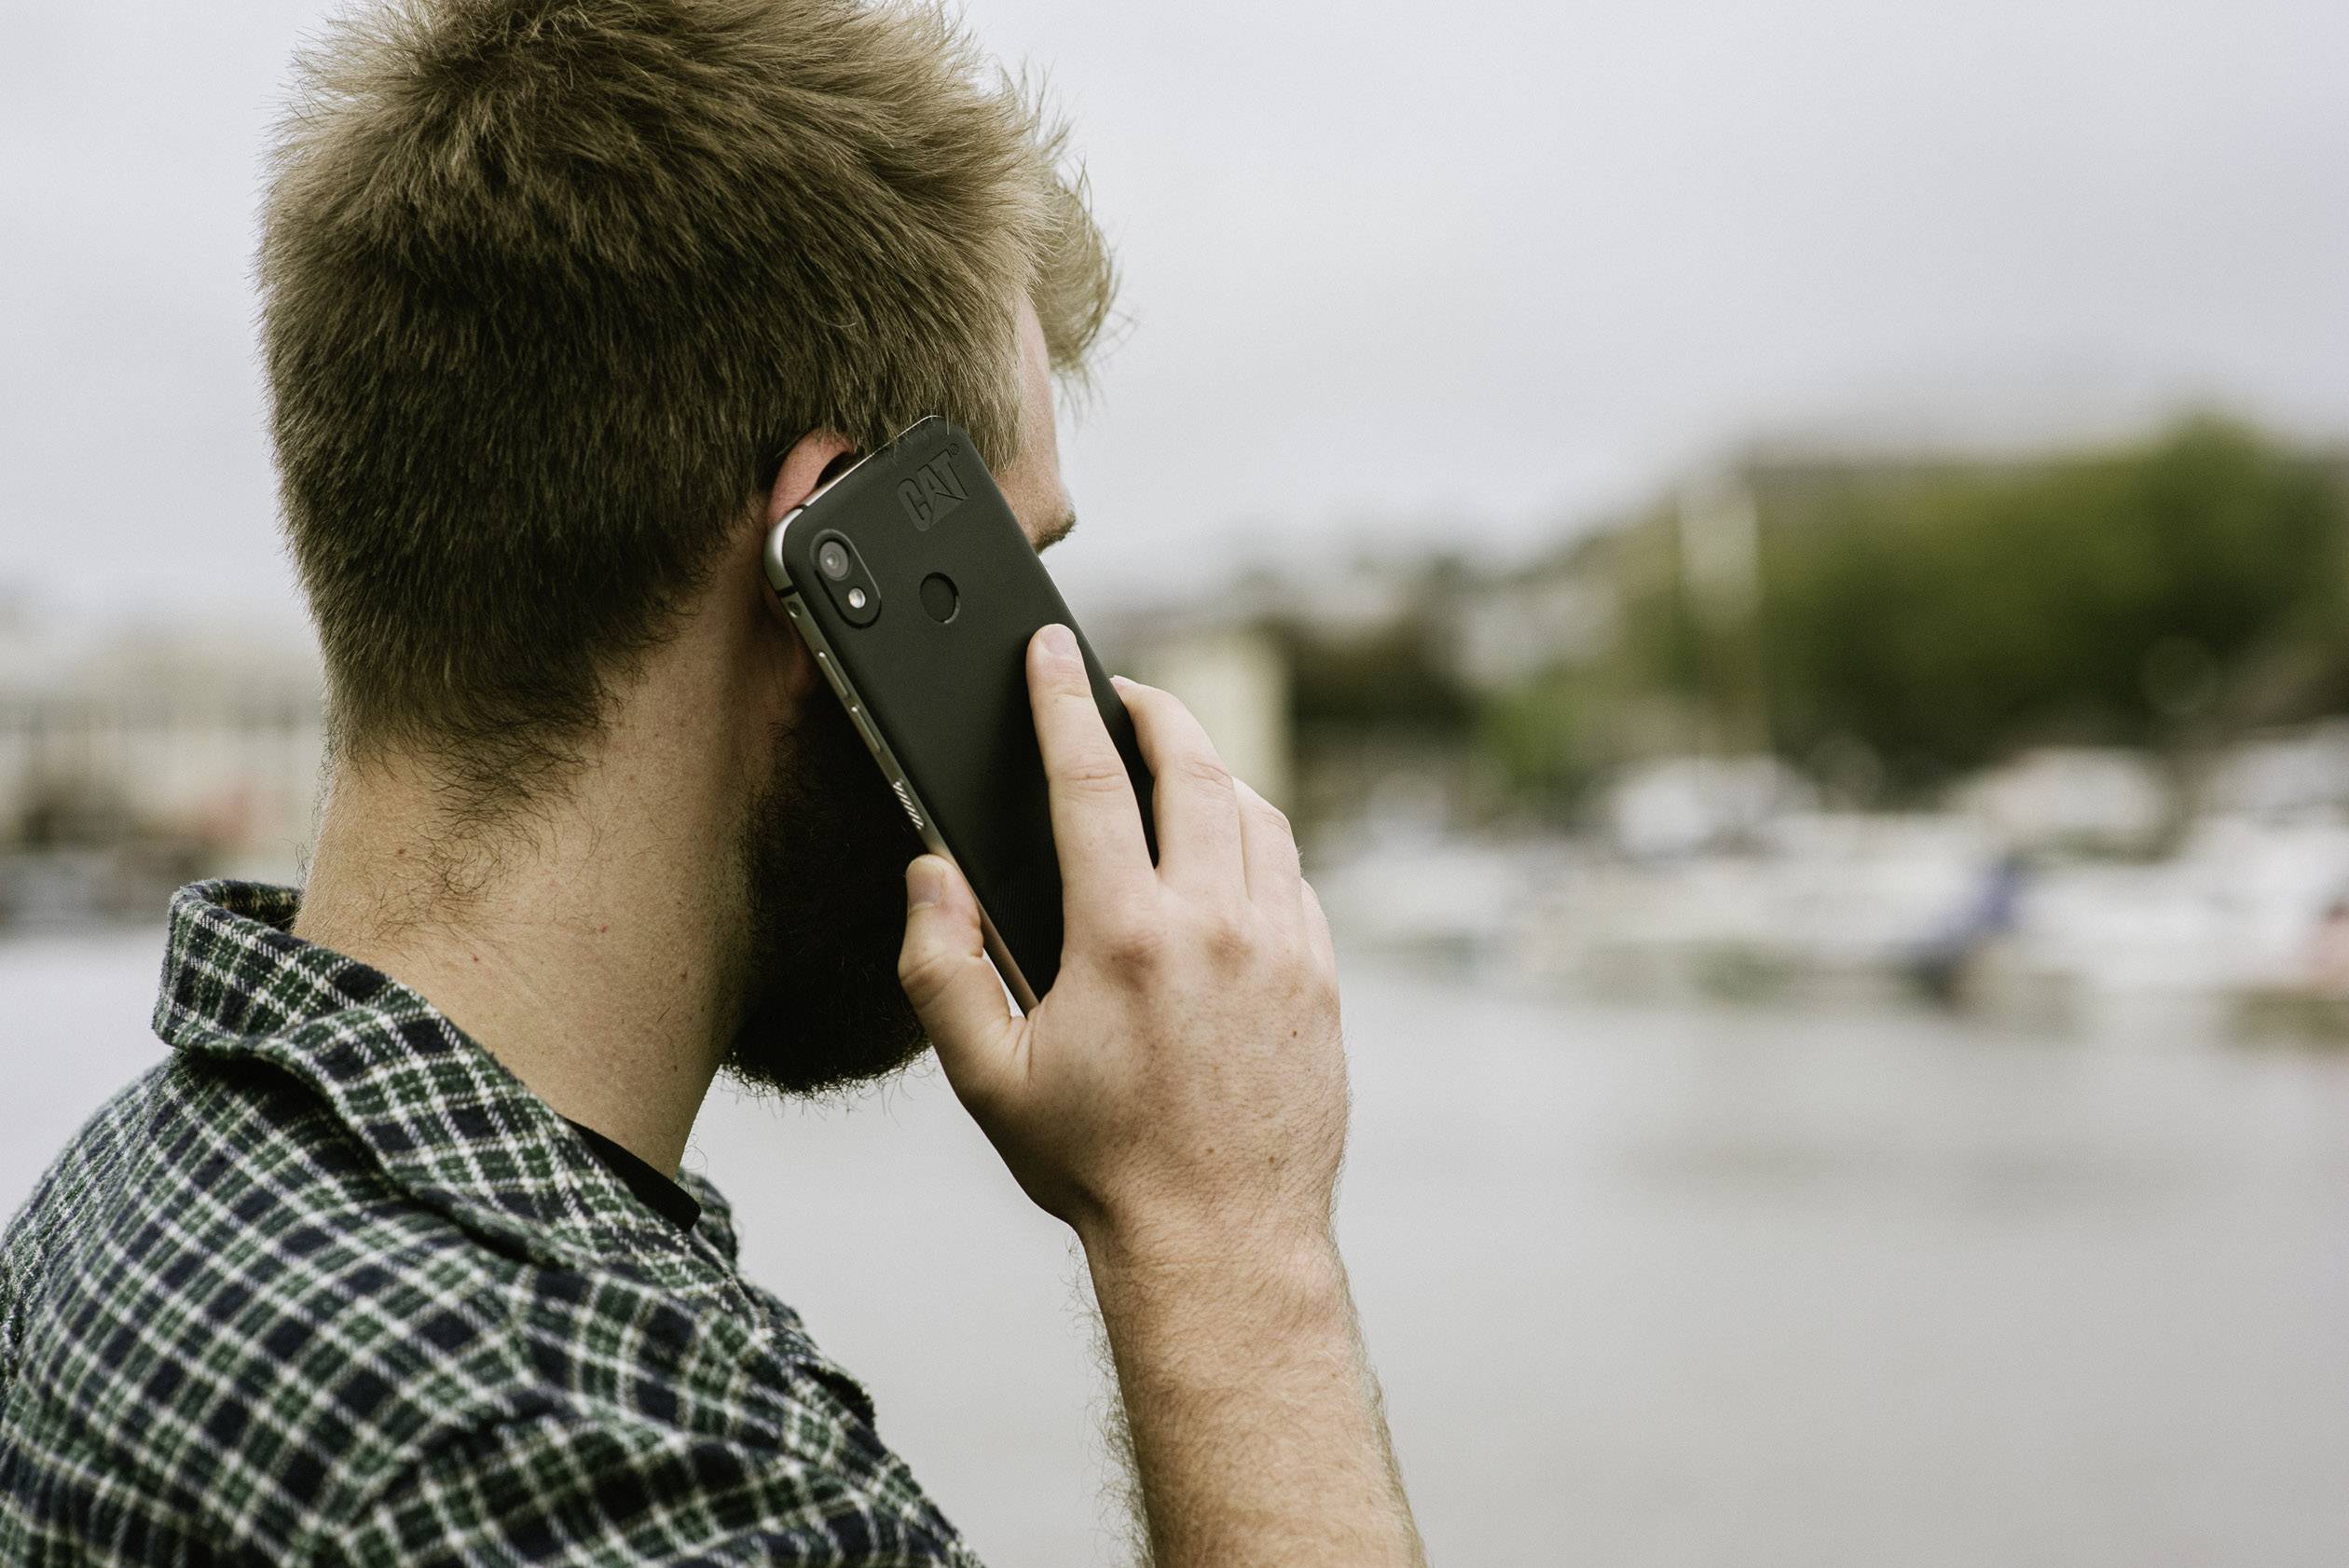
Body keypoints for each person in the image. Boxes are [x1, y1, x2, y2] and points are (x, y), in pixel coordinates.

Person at [0, 2, 1425, 1564]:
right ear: (839, 555)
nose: (1058, 677)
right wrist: (1230, 1243)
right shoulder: (597, 1455)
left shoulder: (111, 1199)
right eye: (1021, 562)